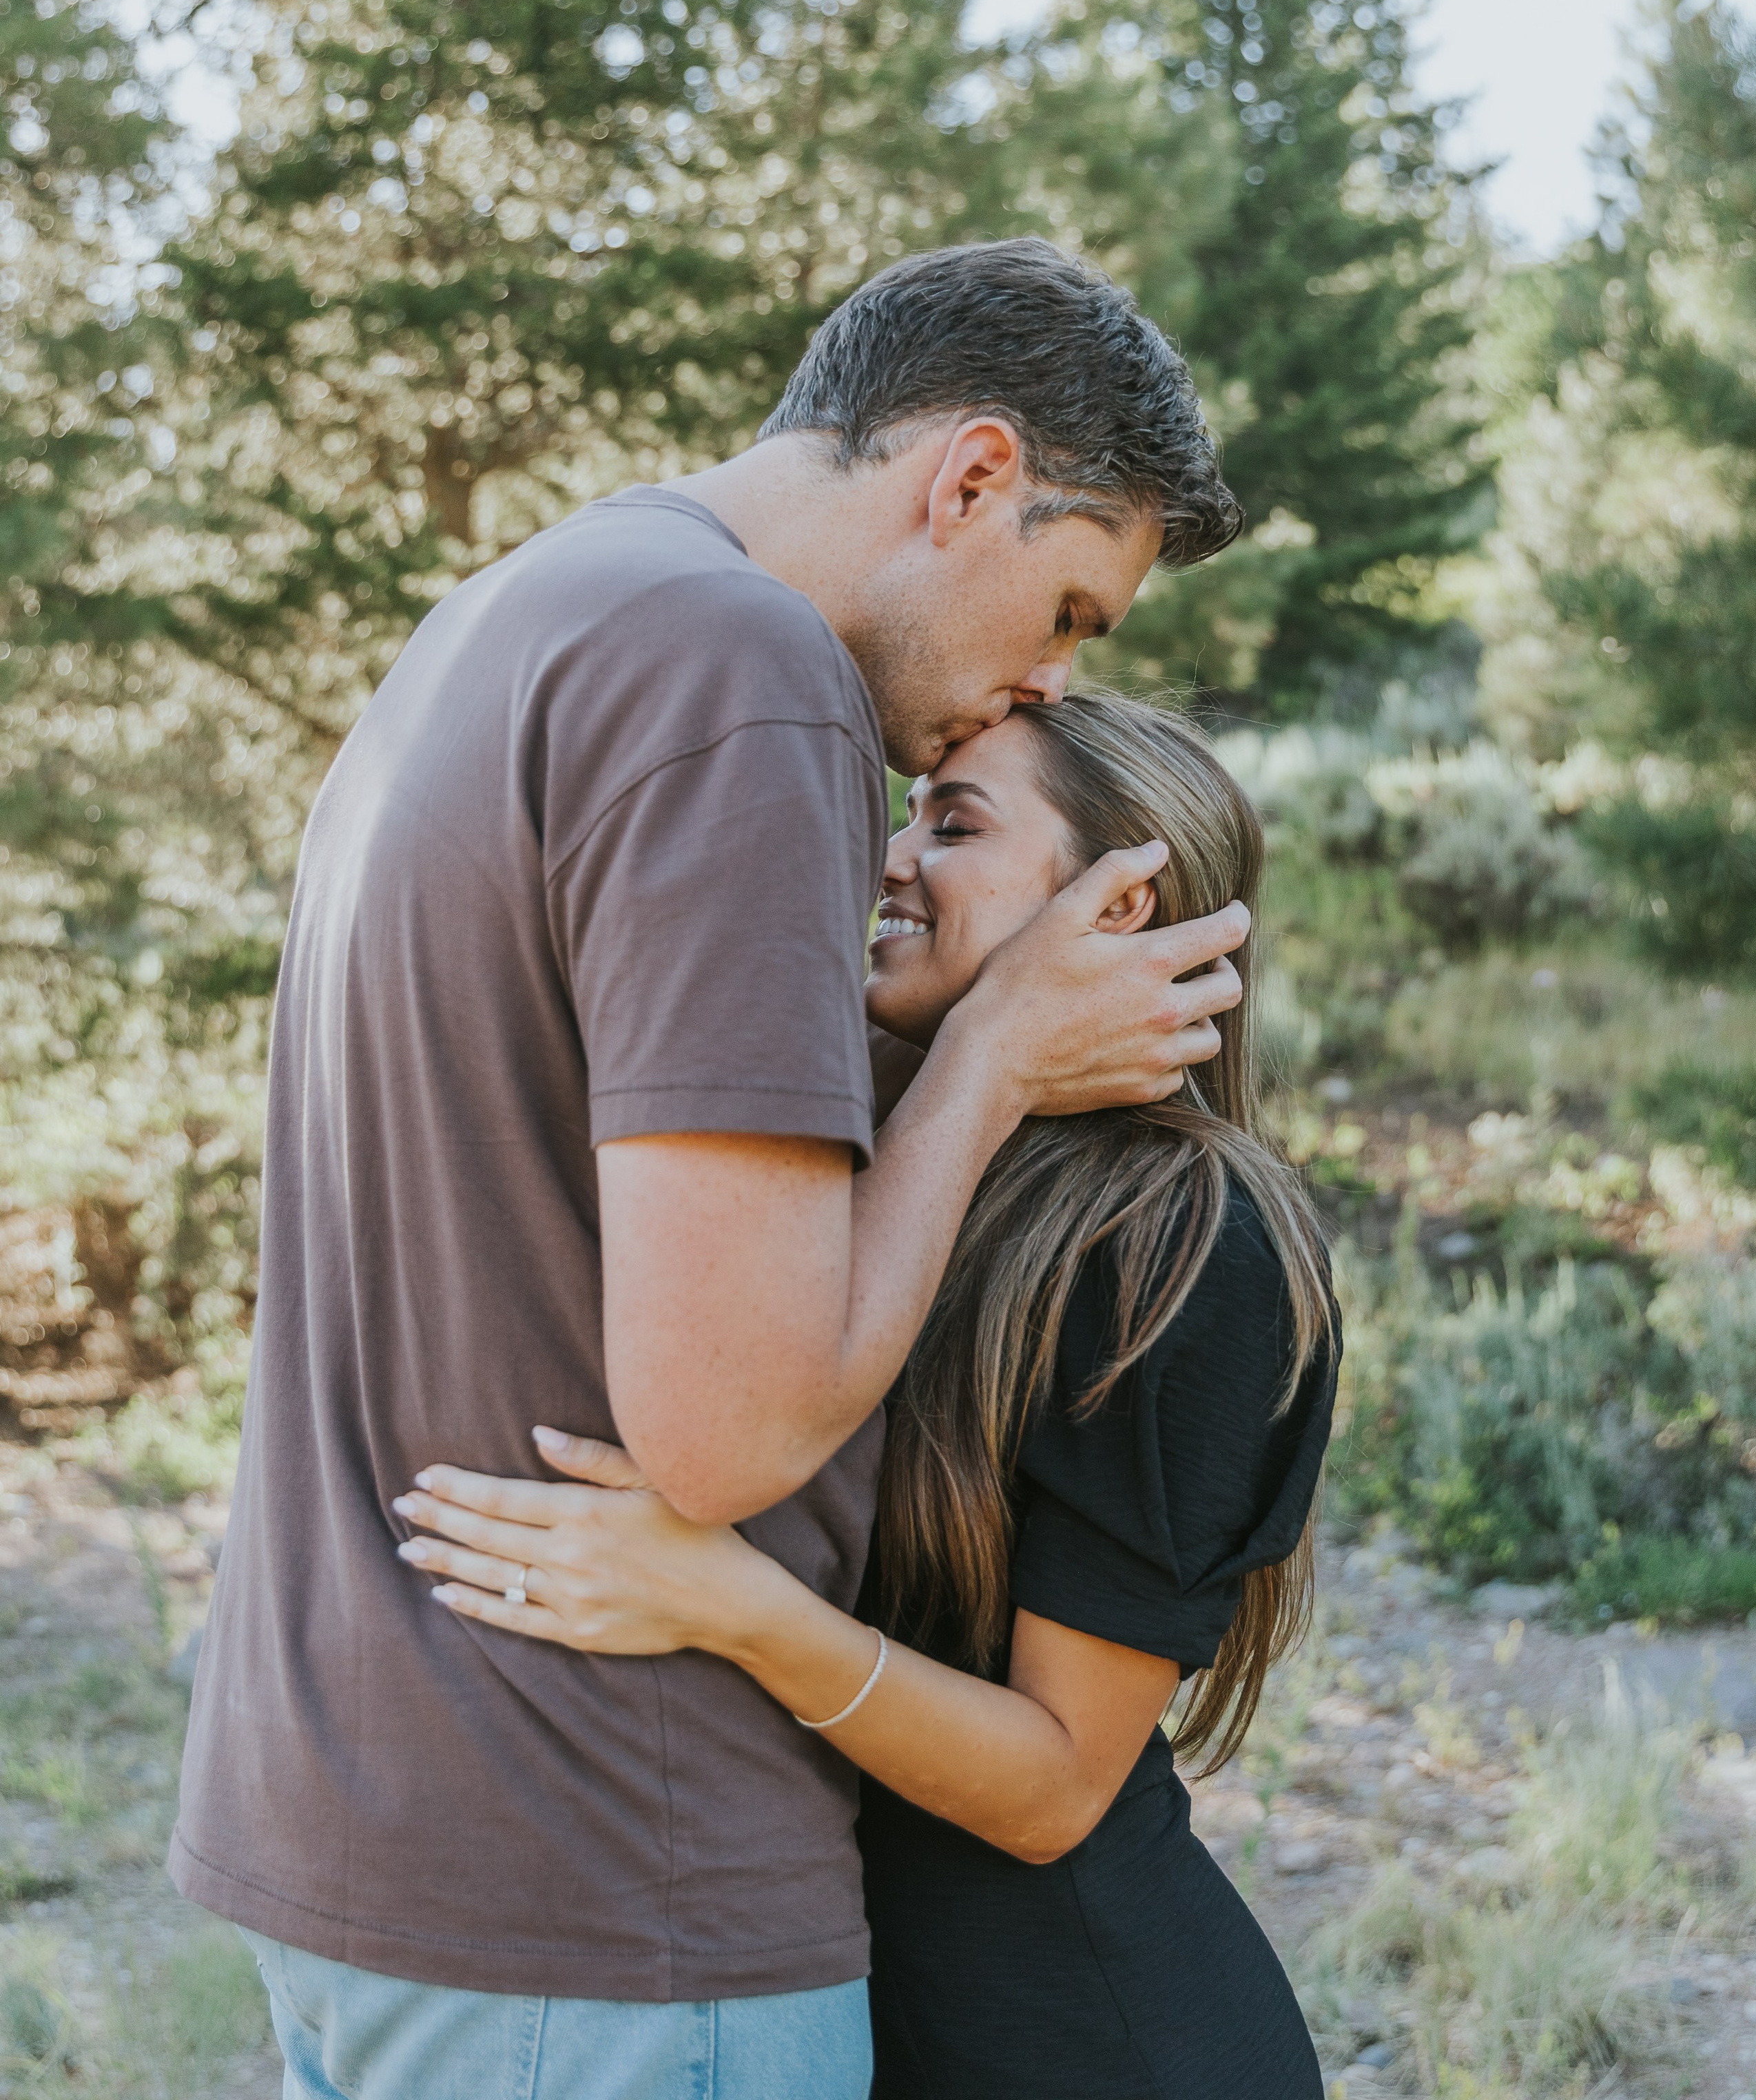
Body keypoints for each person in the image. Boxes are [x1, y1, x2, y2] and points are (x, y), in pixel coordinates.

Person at [169, 239, 1251, 2100]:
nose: (1050, 685)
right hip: (598, 1880)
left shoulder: (528, 609)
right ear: (970, 477)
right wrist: (991, 1061)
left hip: (353, 1822)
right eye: (1070, 609)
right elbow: (730, 1436)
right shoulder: (744, 669)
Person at [391, 694, 1339, 2099]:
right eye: (903, 815)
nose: (890, 859)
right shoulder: (887, 1145)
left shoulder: (1183, 1239)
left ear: (1117, 897)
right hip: (834, 2008)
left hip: (1079, 2047)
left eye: (951, 824)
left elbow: (1052, 1788)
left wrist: (727, 1606)